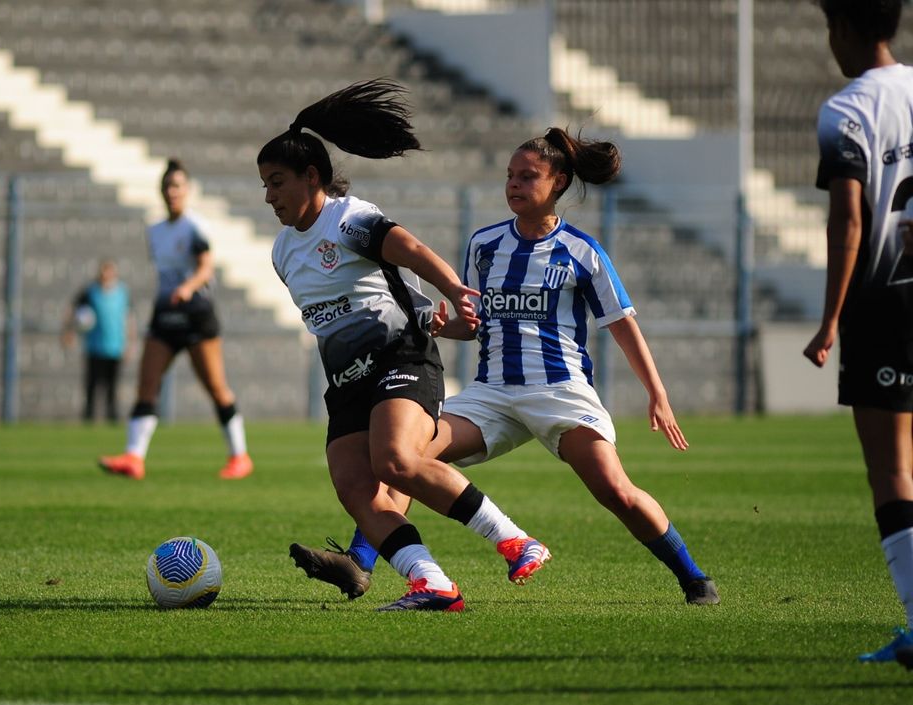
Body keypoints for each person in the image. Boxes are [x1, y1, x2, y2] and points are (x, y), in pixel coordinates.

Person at [292, 127, 721, 607]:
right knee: (401, 455)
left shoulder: (582, 252)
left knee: (615, 491)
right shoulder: (485, 244)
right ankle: (360, 562)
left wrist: (656, 393)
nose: (514, 184)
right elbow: (475, 324)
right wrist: (437, 325)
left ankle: (693, 577)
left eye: (528, 176)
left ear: (557, 182)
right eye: (510, 176)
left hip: (559, 390)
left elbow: (622, 325)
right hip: (491, 393)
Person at [260, 78, 551, 612]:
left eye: (277, 182)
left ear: (311, 176)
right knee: (355, 487)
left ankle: (515, 540)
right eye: (264, 186)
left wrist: (455, 291)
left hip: (402, 357)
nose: (269, 196)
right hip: (347, 381)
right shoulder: (282, 253)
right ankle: (431, 583)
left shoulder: (347, 219)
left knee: (394, 460)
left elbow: (411, 249)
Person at [803, 0, 913, 668]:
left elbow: (849, 220)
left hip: (886, 307)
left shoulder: (847, 111)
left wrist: (830, 318)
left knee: (894, 471)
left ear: (842, 29)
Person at [98, 159, 253, 481]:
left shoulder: (194, 227)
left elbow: (206, 268)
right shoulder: (154, 231)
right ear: (161, 191)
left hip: (196, 312)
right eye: (168, 186)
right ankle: (133, 457)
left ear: (187, 191)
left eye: (178, 186)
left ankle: (239, 456)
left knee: (215, 386)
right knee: (146, 385)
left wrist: (187, 287)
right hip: (165, 312)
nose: (172, 192)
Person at [63, 259, 131, 423]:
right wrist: (69, 331)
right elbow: (73, 310)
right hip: (94, 346)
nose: (106, 275)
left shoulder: (122, 292)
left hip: (115, 346)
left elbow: (128, 318)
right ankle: (89, 417)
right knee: (92, 385)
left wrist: (129, 343)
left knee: (112, 386)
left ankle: (112, 417)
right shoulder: (90, 292)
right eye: (103, 271)